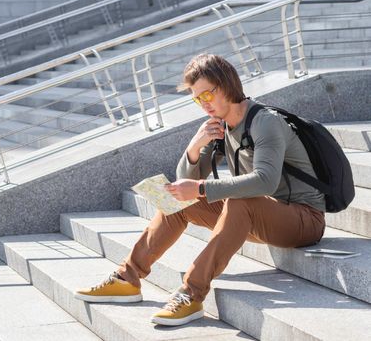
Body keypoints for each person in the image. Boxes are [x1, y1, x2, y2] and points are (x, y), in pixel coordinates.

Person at [74, 53, 326, 326]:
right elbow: (185, 182)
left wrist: (201, 188)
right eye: (198, 99)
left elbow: (264, 181)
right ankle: (127, 278)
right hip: (260, 216)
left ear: (227, 84)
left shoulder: (265, 122)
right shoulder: (218, 125)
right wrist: (195, 145)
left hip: (304, 219)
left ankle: (192, 294)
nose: (203, 104)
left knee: (239, 201)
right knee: (177, 198)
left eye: (207, 94)